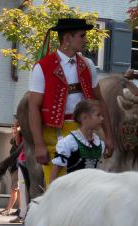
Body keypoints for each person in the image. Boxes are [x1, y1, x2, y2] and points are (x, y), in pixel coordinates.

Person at [29, 18, 113, 187]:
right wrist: (38, 144)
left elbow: (99, 100)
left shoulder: (88, 65)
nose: (85, 40)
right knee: (57, 189)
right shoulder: (42, 67)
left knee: (85, 187)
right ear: (67, 38)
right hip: (53, 134)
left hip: (83, 132)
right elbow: (33, 107)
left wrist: (109, 136)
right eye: (82, 36)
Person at [49, 99, 104, 183]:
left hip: (94, 190)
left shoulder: (99, 144)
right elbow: (54, 174)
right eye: (98, 115)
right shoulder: (68, 143)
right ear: (85, 118)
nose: (102, 118)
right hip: (74, 191)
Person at [0, 126, 20, 216]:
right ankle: (20, 209)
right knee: (18, 190)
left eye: (15, 133)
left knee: (14, 189)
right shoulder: (14, 143)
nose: (13, 134)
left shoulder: (19, 143)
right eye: (13, 132)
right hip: (14, 167)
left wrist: (17, 131)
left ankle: (8, 209)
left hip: (17, 167)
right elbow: (12, 140)